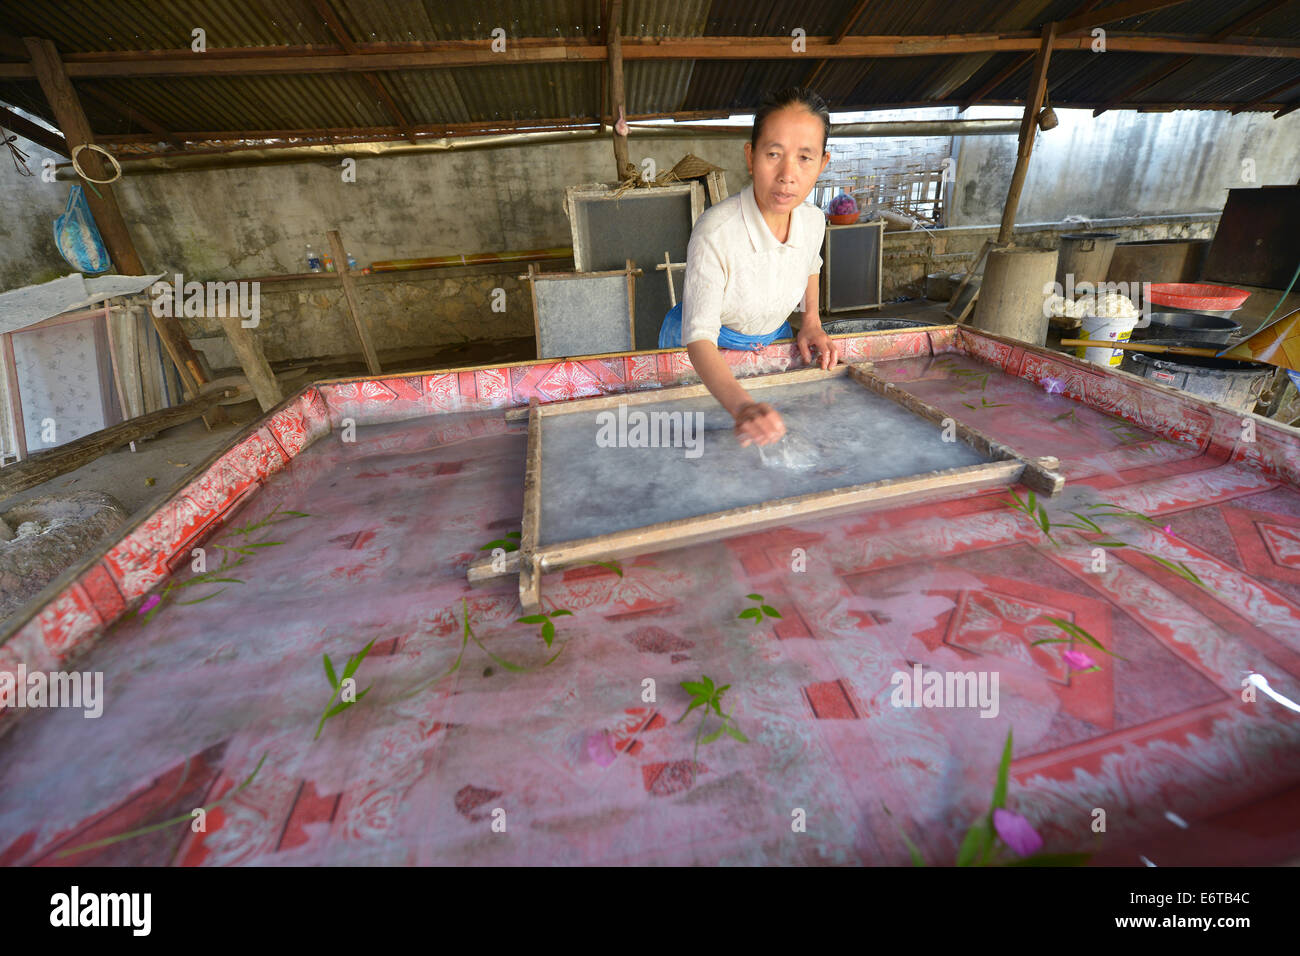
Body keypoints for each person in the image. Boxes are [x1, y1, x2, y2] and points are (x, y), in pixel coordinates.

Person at [659, 86, 839, 447]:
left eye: (805, 158)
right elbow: (699, 339)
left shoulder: (814, 220)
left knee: (774, 448)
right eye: (774, 154)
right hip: (703, 355)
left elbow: (810, 264)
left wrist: (811, 322)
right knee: (694, 447)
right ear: (750, 156)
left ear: (822, 164)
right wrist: (742, 406)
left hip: (771, 344)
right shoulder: (716, 231)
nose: (788, 174)